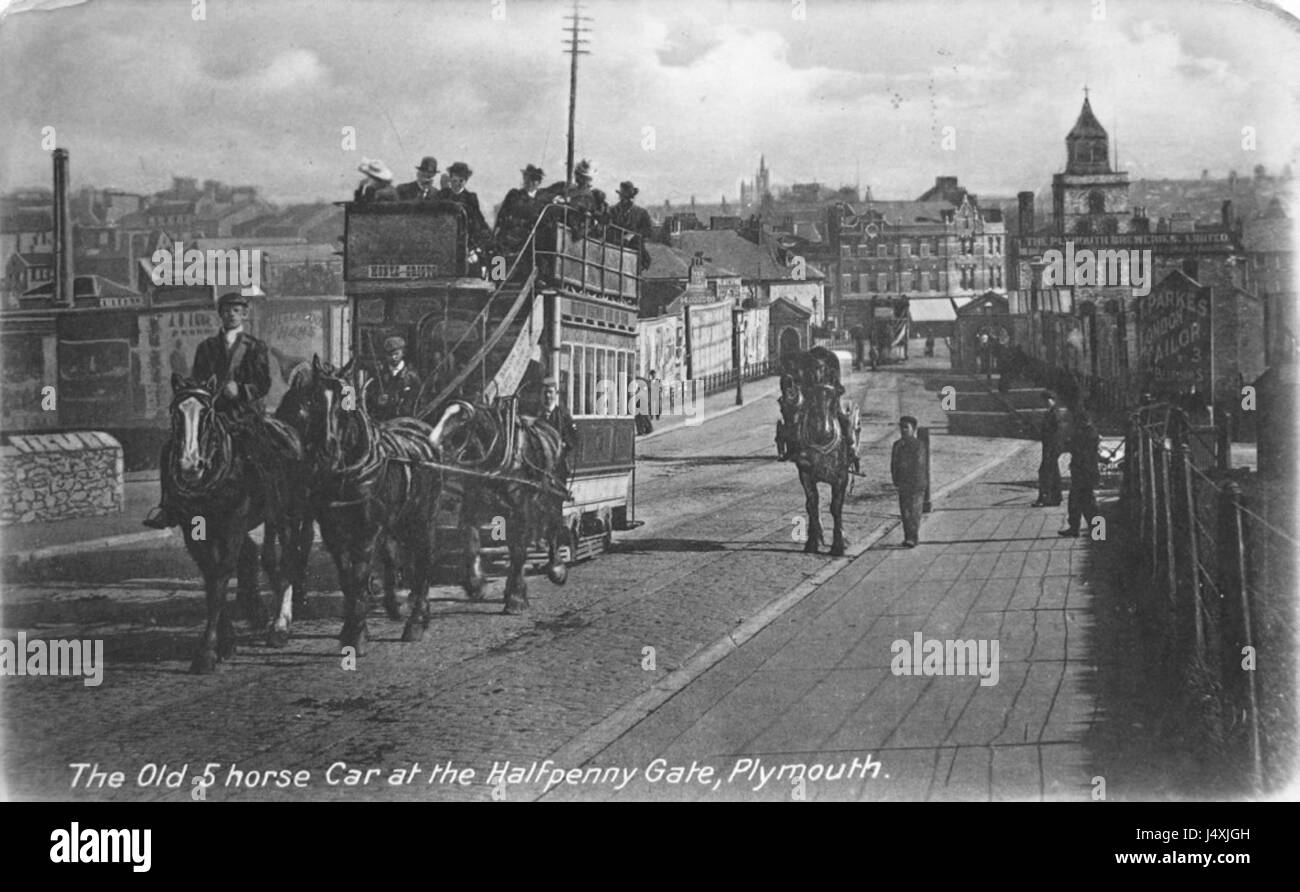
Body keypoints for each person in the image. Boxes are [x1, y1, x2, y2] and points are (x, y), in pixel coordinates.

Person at [143, 292, 272, 528]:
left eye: (236, 310)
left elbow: (263, 384)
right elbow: (199, 379)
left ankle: (270, 502)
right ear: (220, 315)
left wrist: (241, 390)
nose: (231, 314)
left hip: (244, 415)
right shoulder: (206, 347)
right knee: (170, 449)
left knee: (260, 451)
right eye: (226, 310)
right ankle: (167, 506)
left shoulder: (255, 347)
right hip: (212, 414)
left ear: (244, 314)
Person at [494, 164, 554, 256]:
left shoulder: (543, 201)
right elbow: (502, 216)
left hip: (529, 241)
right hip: (509, 236)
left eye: (535, 180)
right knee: (499, 260)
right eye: (529, 178)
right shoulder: (514, 195)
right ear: (525, 178)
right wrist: (495, 234)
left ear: (539, 182)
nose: (531, 182)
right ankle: (497, 270)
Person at [1059, 406, 1101, 537]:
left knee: (1087, 503)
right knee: (1077, 501)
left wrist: (1069, 442)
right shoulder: (1089, 432)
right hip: (1083, 471)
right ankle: (1076, 528)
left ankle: (1098, 531)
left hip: (1085, 472)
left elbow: (1076, 449)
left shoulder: (1086, 433)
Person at [436, 161, 491, 256]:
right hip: (445, 241)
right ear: (450, 179)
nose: (457, 184)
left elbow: (478, 220)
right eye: (454, 180)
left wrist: (475, 245)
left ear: (466, 181)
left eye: (461, 181)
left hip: (465, 243)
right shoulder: (442, 195)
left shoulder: (470, 198)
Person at [365, 336, 422, 421]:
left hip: (406, 422)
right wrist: (377, 400)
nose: (393, 357)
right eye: (390, 354)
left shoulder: (411, 376)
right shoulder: (379, 376)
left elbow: (418, 400)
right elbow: (369, 398)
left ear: (403, 353)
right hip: (383, 422)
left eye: (396, 354)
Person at [535, 376, 578, 486]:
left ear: (556, 394)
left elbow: (573, 437)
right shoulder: (536, 415)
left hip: (558, 464)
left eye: (550, 392)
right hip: (538, 464)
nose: (547, 396)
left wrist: (563, 445)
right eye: (544, 393)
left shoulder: (563, 415)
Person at [890, 416, 926, 547]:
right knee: (905, 512)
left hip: (916, 484)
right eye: (901, 427)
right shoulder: (897, 445)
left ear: (914, 429)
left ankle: (913, 538)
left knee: (914, 511)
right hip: (903, 484)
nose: (903, 430)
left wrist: (915, 481)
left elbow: (919, 465)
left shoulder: (919, 445)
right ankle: (907, 537)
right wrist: (895, 479)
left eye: (906, 427)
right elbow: (893, 463)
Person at [610, 181, 654, 271]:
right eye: (623, 197)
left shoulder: (641, 213)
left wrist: (632, 235)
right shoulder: (613, 211)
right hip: (615, 250)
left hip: (634, 251)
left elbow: (648, 231)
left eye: (629, 198)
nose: (626, 201)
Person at [1032, 390, 1063, 507]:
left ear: (1052, 400)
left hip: (1052, 447)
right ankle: (1053, 497)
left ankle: (1047, 497)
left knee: (1046, 472)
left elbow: (1056, 433)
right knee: (1052, 472)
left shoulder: (1054, 414)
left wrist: (1052, 448)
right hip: (1049, 447)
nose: (1045, 403)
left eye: (1047, 400)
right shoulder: (1051, 412)